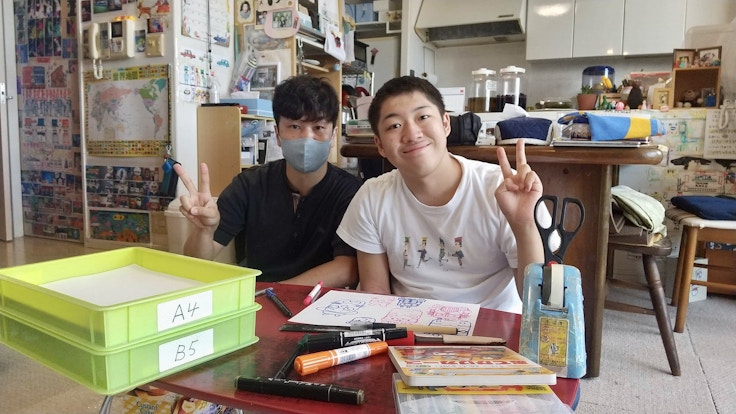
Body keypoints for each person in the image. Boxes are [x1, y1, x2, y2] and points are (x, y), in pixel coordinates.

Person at [336, 76, 546, 313]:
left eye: (423, 117)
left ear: (446, 123)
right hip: (408, 327)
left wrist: (523, 224)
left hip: (492, 329)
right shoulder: (372, 197)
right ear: (380, 145)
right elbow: (377, 294)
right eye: (394, 125)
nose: (412, 134)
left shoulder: (501, 188)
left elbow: (535, 301)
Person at [174, 75, 362, 288]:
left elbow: (348, 267)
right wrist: (204, 231)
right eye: (295, 127)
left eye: (318, 128)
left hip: (319, 302)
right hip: (257, 300)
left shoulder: (351, 192)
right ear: (278, 135)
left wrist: (277, 291)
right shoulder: (249, 185)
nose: (306, 138)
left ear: (333, 136)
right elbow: (195, 263)